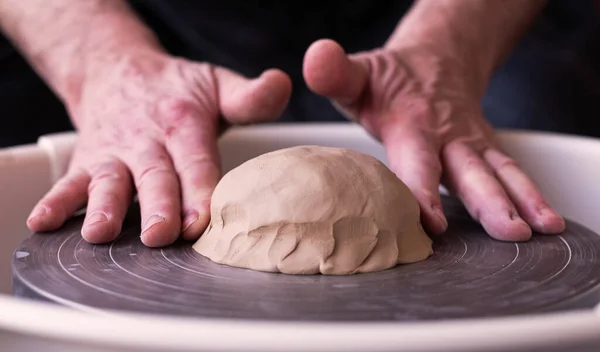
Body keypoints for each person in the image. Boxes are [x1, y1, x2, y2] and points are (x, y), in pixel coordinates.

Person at [0, 0, 596, 248]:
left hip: (425, 20)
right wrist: (99, 64)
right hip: (131, 18)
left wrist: (455, 44)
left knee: (528, 129)